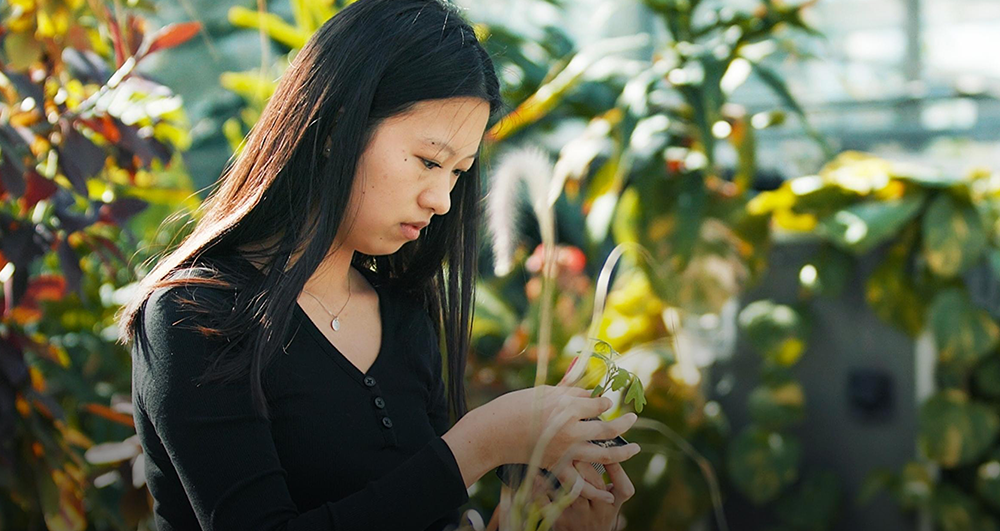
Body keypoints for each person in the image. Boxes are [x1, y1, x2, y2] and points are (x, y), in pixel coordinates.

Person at [116, 0, 640, 529]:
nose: (442, 200)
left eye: (458, 172)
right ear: (334, 129)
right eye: (429, 161)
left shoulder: (404, 318)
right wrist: (477, 446)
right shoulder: (195, 316)